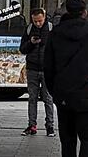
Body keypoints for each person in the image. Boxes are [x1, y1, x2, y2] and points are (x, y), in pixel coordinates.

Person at [44, 0, 88, 157]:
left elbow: (48, 67)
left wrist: (56, 92)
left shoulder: (55, 33)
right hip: (87, 96)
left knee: (67, 141)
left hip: (64, 96)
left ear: (66, 11)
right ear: (84, 12)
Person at [19, 8, 55, 137]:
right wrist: (31, 42)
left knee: (48, 99)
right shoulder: (29, 29)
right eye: (35, 21)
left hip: (47, 69)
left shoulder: (51, 29)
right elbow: (22, 49)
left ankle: (50, 125)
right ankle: (32, 125)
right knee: (32, 98)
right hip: (32, 68)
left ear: (44, 17)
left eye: (40, 20)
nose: (38, 24)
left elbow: (57, 48)